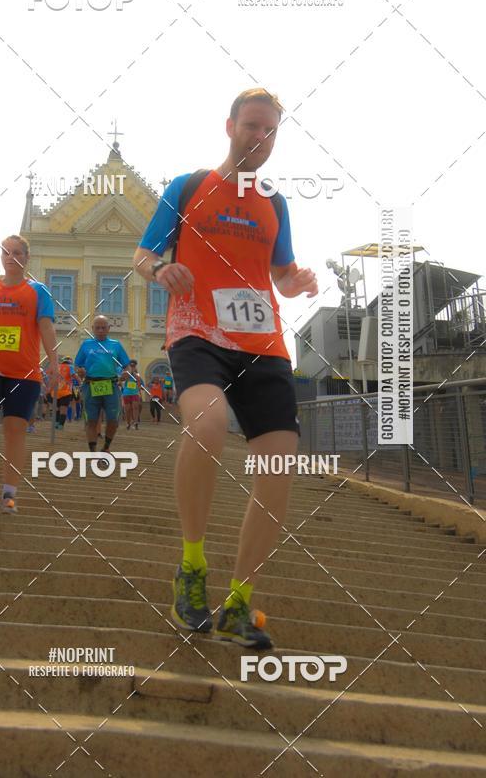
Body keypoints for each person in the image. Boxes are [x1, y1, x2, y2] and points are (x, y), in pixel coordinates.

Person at [134, 88, 318, 649]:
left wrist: (297, 281)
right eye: (252, 127)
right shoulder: (189, 187)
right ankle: (192, 566)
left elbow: (280, 272)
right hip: (198, 332)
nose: (259, 139)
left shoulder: (274, 201)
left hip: (262, 342)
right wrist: (162, 269)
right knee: (208, 425)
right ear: (230, 125)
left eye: (270, 132)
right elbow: (143, 255)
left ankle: (239, 602)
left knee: (280, 465)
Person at [0, 235, 59, 513]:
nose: (11, 257)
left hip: (24, 373)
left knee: (14, 431)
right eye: (6, 252)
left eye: (17, 252)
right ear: (1, 257)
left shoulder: (38, 291)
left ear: (26, 258)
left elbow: (46, 328)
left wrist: (53, 362)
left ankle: (9, 494)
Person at [74, 315, 130, 453]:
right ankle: (92, 450)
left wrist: (126, 373)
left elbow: (127, 365)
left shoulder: (115, 345)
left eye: (103, 328)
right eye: (97, 328)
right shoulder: (86, 345)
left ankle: (106, 447)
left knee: (113, 420)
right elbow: (77, 365)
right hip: (91, 385)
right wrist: (80, 371)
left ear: (108, 329)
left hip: (110, 385)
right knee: (91, 420)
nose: (100, 330)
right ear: (92, 329)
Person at [121, 360, 142, 430]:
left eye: (134, 366)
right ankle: (128, 423)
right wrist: (129, 372)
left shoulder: (137, 374)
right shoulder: (125, 373)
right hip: (126, 393)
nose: (133, 367)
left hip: (134, 393)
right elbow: (122, 379)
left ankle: (135, 422)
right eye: (131, 365)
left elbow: (139, 383)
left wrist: (139, 392)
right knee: (127, 409)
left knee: (135, 407)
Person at [55, 357, 74, 430]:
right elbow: (74, 375)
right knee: (64, 409)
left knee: (57, 408)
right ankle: (61, 425)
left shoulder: (58, 367)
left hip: (56, 391)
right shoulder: (70, 367)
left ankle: (56, 423)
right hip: (66, 391)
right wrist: (80, 381)